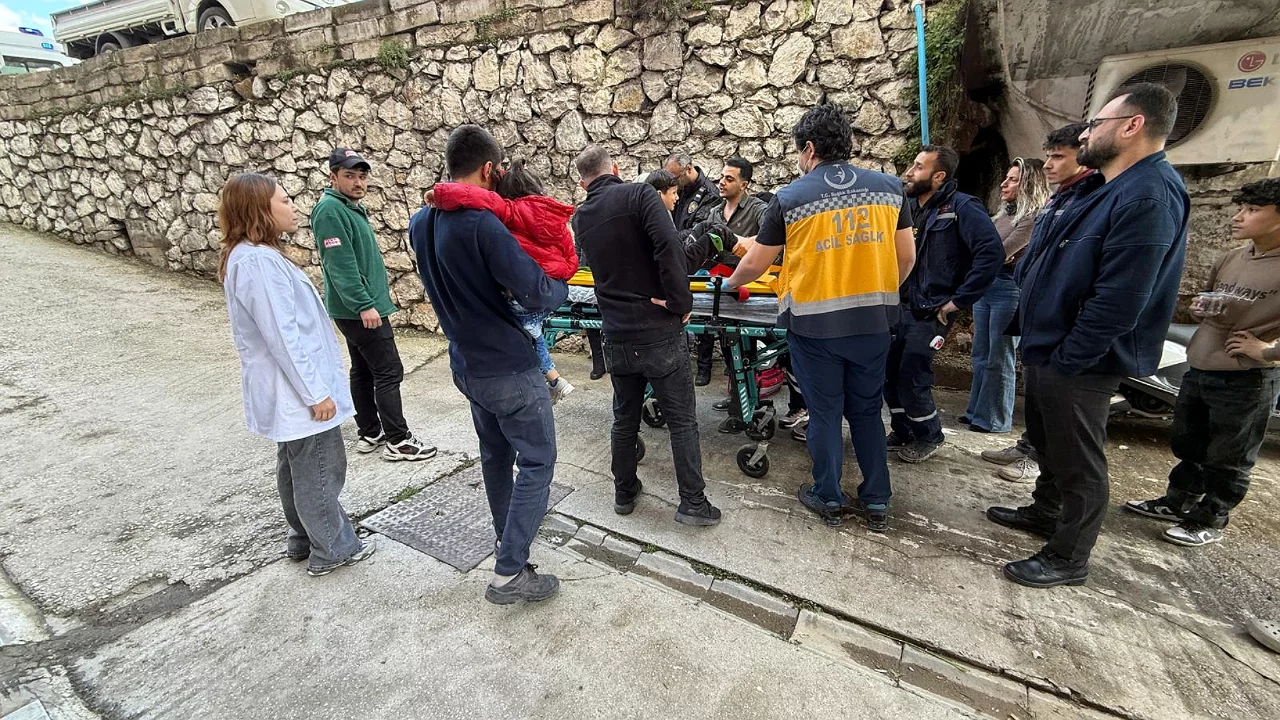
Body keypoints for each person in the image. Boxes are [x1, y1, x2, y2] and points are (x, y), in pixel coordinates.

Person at [987, 82, 1189, 588]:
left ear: (1132, 125)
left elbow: (1122, 296)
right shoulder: (1107, 186)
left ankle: (1068, 555)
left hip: (1080, 358)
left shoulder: (1148, 194)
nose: (1087, 135)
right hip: (1052, 346)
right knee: (1051, 443)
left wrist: (1072, 355)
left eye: (1096, 124)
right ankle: (1045, 511)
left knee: (1079, 458)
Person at [725, 104, 916, 532]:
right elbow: (906, 259)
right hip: (873, 325)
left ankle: (828, 496)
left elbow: (756, 264)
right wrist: (877, 293)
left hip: (814, 328)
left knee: (825, 413)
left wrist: (727, 284)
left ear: (809, 149)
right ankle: (878, 501)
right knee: (867, 412)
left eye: (798, 151)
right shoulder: (889, 189)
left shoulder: (790, 198)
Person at [410, 125, 568, 605]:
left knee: (497, 458)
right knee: (538, 461)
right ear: (488, 170)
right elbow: (538, 291)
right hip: (509, 368)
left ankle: (507, 544)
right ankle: (509, 570)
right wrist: (562, 286)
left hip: (467, 365)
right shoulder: (482, 225)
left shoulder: (422, 220)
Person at [218, 173, 377, 578]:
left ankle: (304, 538)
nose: (293, 208)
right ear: (261, 210)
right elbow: (282, 336)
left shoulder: (252, 257)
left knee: (297, 466)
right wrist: (315, 393)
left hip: (289, 389)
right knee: (321, 467)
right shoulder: (256, 261)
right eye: (284, 201)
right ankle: (333, 547)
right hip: (298, 390)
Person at [1124, 178, 1280, 547]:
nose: (1238, 217)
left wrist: (1267, 352)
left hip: (1246, 378)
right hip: (1200, 366)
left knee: (1230, 457)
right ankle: (1177, 502)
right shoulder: (1233, 256)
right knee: (1189, 445)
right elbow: (1212, 299)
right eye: (1240, 208)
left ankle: (1210, 517)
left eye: (1252, 210)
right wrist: (1199, 308)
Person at [573, 145, 722, 527]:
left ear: (581, 180)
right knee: (682, 421)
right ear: (616, 169)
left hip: (617, 333)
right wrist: (679, 300)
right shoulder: (639, 194)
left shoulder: (582, 217)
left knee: (624, 419)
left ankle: (624, 491)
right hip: (658, 329)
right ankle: (692, 502)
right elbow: (669, 245)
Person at [981, 123, 1093, 483]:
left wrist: (990, 256)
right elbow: (985, 249)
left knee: (1004, 359)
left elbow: (1000, 252)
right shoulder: (1019, 212)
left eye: (1057, 157)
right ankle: (1014, 435)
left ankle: (1016, 436)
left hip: (1016, 292)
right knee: (988, 357)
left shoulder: (1041, 212)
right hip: (1002, 290)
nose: (1005, 184)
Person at [311, 149, 436, 462]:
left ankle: (370, 432)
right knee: (389, 370)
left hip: (359, 308)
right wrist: (364, 305)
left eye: (362, 176)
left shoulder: (348, 208)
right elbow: (340, 265)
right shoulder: (330, 210)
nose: (357, 182)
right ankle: (399, 440)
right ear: (333, 176)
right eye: (349, 175)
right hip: (361, 310)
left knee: (364, 370)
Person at [427, 159, 579, 403]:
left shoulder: (507, 210)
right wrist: (560, 274)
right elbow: (571, 258)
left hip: (510, 312)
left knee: (532, 336)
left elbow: (472, 196)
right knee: (535, 334)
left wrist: (440, 193)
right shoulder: (554, 216)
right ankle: (553, 380)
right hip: (551, 282)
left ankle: (553, 379)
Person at [889, 146, 1004, 463]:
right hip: (902, 306)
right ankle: (903, 430)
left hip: (932, 311)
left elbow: (991, 254)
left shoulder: (963, 208)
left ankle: (929, 435)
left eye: (918, 166)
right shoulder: (910, 206)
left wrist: (959, 301)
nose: (910, 171)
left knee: (912, 376)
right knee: (888, 372)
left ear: (938, 176)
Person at [962, 158, 1050, 434]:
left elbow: (1001, 252)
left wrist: (978, 255)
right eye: (1007, 178)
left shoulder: (1032, 218)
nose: (1004, 183)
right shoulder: (1003, 216)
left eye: (1013, 179)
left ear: (1029, 184)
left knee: (1000, 355)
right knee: (981, 352)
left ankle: (995, 419)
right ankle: (977, 412)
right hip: (987, 285)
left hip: (1009, 287)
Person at [695, 157, 768, 388]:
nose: (721, 182)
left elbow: (776, 236)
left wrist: (750, 242)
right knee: (727, 346)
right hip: (720, 287)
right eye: (721, 177)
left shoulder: (758, 209)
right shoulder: (714, 213)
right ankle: (737, 396)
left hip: (748, 288)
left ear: (744, 185)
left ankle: (748, 397)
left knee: (746, 349)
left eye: (729, 178)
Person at [664, 152, 720, 231]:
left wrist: (672, 238)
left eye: (675, 178)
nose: (672, 182)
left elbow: (698, 231)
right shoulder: (681, 188)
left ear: (689, 169)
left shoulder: (710, 195)